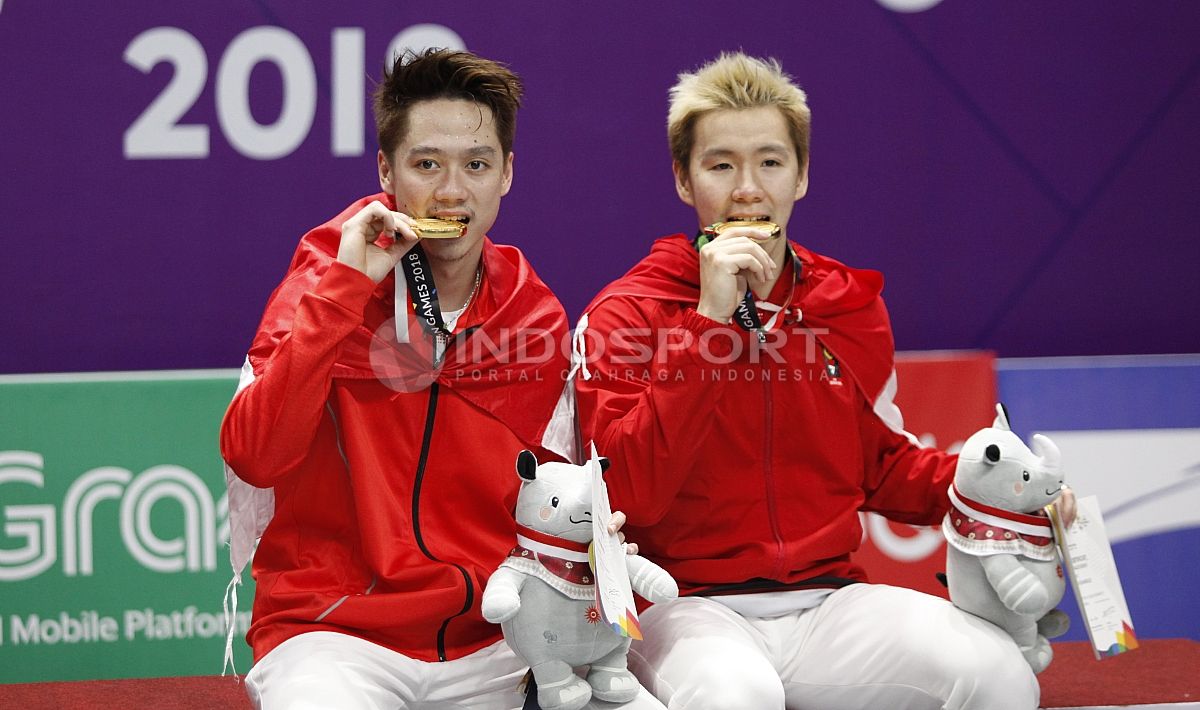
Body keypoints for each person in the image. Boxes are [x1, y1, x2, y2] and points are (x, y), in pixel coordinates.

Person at [575, 52, 1076, 710]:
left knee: (1001, 676)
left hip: (830, 604)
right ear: (683, 179)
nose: (747, 188)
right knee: (737, 697)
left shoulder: (846, 304)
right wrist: (708, 324)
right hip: (680, 605)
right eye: (721, 164)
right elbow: (627, 492)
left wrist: (1006, 499)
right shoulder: (627, 313)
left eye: (771, 162)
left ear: (801, 176)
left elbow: (882, 465)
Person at [220, 48, 659, 710]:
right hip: (335, 635)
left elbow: (547, 491)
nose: (452, 191)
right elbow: (257, 455)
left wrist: (589, 534)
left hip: (495, 635)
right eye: (427, 164)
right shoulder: (322, 281)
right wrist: (346, 287)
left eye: (476, 165)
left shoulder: (532, 312)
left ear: (507, 174)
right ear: (386, 172)